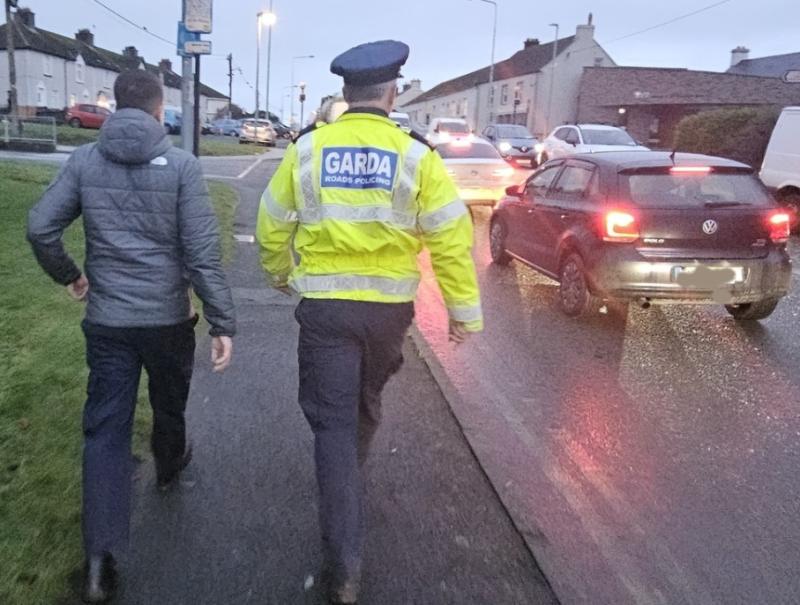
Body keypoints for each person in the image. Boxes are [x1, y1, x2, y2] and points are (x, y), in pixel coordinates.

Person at [256, 40, 482, 604]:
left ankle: (344, 565)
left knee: (331, 424)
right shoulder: (417, 156)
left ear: (344, 94)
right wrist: (462, 311)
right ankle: (348, 483)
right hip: (387, 315)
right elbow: (452, 237)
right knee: (365, 404)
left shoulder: (308, 150)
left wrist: (280, 274)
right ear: (392, 91)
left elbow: (272, 223)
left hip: (327, 311)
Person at [27, 69, 236, 603]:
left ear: (115, 104)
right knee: (169, 399)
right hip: (168, 320)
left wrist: (71, 274)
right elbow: (202, 254)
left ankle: (99, 566)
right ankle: (169, 464)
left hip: (109, 323)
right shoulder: (183, 167)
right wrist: (221, 321)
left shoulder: (84, 160)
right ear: (157, 107)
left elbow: (40, 227)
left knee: (105, 430)